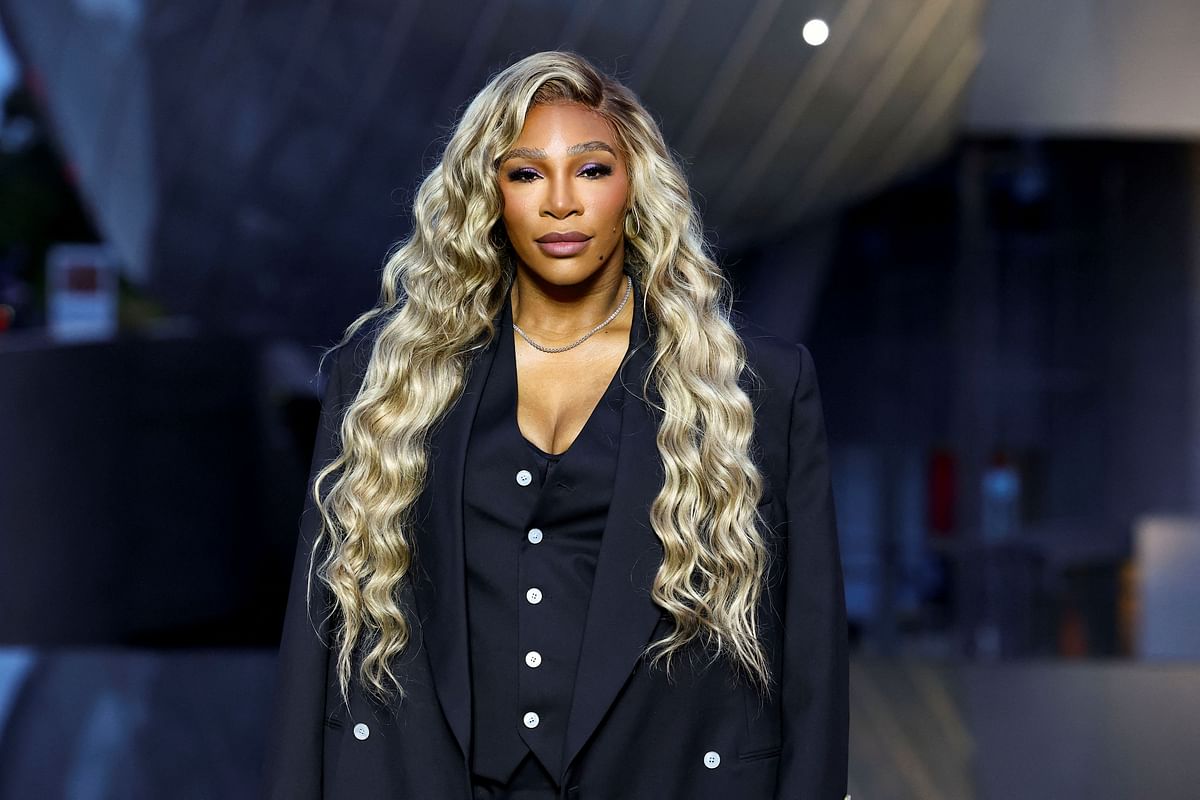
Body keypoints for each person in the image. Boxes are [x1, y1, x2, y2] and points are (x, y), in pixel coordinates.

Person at [264, 50, 847, 800]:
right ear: (491, 194)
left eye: (593, 170)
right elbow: (316, 637)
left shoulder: (753, 386)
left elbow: (813, 659)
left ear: (636, 188)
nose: (561, 202)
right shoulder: (385, 377)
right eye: (527, 172)